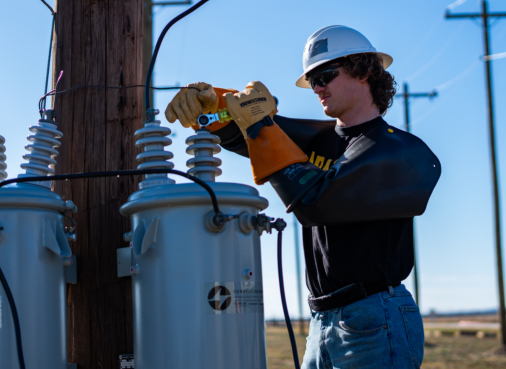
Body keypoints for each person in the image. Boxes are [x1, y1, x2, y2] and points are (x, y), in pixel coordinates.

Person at [165, 25, 441, 369]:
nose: (318, 88)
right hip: (323, 320)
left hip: (373, 315)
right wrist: (216, 106)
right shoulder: (321, 141)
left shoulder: (397, 152)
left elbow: (317, 203)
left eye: (325, 74)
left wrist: (259, 125)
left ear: (366, 71)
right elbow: (251, 134)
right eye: (312, 81)